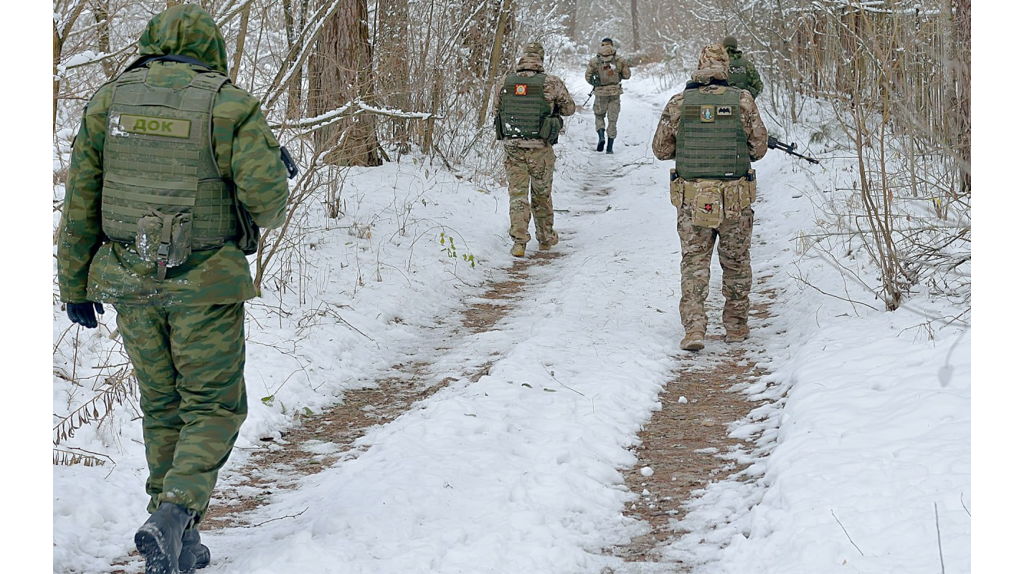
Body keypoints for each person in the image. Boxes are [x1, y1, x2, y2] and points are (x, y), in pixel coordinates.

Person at [56, 5, 290, 573]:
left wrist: (73, 283)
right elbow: (270, 205)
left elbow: (81, 202)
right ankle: (174, 510)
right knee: (215, 406)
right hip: (203, 285)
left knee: (163, 405)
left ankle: (180, 544)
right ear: (211, 49)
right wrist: (276, 166)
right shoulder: (229, 104)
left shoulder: (108, 101)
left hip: (128, 282)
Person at [651, 44, 768, 351]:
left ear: (699, 67)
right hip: (735, 200)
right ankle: (736, 327)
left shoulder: (679, 102)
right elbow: (758, 148)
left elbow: (661, 150)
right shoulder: (743, 101)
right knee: (736, 264)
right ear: (725, 69)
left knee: (694, 264)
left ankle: (694, 329)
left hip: (693, 200)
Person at [493, 42, 576, 257]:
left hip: (513, 148)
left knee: (518, 195)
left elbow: (496, 109)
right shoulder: (551, 82)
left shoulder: (506, 81)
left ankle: (519, 242)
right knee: (541, 193)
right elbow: (569, 109)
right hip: (540, 148)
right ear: (541, 59)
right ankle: (545, 238)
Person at [585, 37, 632, 153]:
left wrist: (596, 83)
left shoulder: (595, 61)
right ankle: (610, 148)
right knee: (613, 120)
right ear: (612, 46)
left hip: (600, 93)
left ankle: (601, 137)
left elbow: (587, 77)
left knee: (599, 116)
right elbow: (627, 75)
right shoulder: (620, 60)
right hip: (615, 93)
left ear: (602, 45)